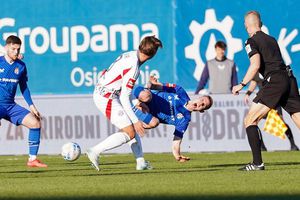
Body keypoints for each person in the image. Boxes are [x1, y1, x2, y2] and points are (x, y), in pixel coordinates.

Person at [232, 11, 300, 171]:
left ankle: (257, 163)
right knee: (297, 118)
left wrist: (241, 84)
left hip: (275, 81)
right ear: (260, 24)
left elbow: (255, 65)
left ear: (246, 26)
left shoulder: (251, 40)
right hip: (289, 79)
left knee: (250, 120)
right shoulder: (271, 39)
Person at [86, 36, 162, 171]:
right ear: (153, 54)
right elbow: (124, 97)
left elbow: (124, 90)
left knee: (130, 128)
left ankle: (141, 162)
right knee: (130, 131)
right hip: (107, 98)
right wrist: (136, 120)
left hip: (105, 93)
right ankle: (95, 151)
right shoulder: (134, 69)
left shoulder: (130, 55)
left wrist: (137, 101)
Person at [129, 77, 213, 166]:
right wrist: (151, 83)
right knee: (146, 96)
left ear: (201, 110)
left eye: (203, 105)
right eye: (202, 100)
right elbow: (156, 86)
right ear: (199, 97)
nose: (201, 103)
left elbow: (177, 140)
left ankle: (132, 117)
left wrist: (177, 155)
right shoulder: (180, 91)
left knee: (154, 123)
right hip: (141, 95)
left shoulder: (185, 120)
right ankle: (132, 102)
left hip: (144, 111)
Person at [0, 35, 47, 167]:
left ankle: (32, 159)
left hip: (10, 105)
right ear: (6, 48)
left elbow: (24, 87)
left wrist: (32, 106)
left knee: (35, 123)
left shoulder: (20, 66)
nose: (16, 52)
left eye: (18, 49)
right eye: (13, 49)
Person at [244, 73, 299, 151]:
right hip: (263, 100)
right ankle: (261, 147)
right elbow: (254, 81)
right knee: (253, 121)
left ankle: (293, 144)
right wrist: (248, 93)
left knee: (281, 122)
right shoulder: (258, 68)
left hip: (275, 98)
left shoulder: (271, 68)